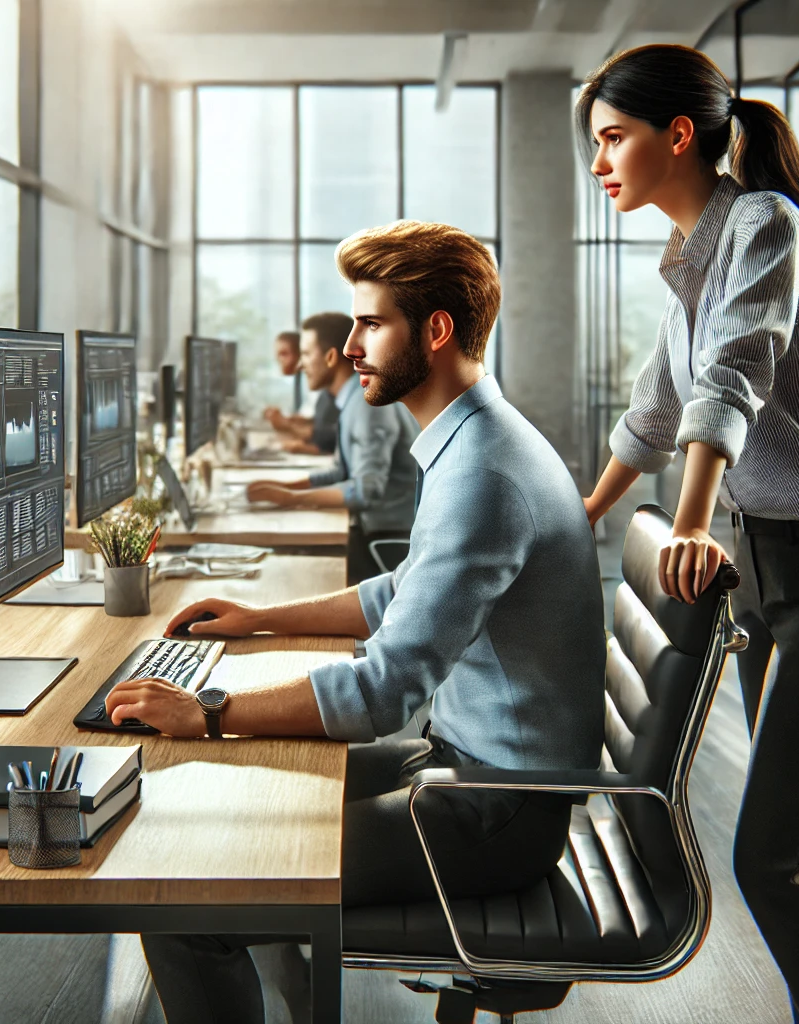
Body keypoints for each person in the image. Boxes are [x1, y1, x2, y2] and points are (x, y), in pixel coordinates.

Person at [105, 220, 606, 1024]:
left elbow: (381, 692)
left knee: (187, 900)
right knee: (245, 806)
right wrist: (259, 619)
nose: (350, 347)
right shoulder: (476, 438)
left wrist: (208, 711)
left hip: (500, 807)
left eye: (372, 324)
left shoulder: (484, 473)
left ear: (436, 332)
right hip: (468, 765)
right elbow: (399, 592)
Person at [575, 44, 799, 1024]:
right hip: (767, 566)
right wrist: (580, 515)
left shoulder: (763, 224)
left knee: (767, 855)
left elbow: (733, 375)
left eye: (612, 138)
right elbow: (656, 404)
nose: (598, 162)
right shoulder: (686, 255)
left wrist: (685, 523)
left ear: (677, 134)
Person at [248, 311, 420, 585]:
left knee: (293, 579)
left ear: (329, 358)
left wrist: (293, 500)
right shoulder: (351, 400)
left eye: (305, 354)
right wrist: (290, 487)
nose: (301, 365)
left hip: (387, 541)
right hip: (371, 531)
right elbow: (342, 471)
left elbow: (366, 489)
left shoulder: (367, 405)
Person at [263, 328, 338, 454]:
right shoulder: (310, 386)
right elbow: (320, 423)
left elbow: (329, 436)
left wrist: (287, 425)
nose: (279, 360)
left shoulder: (329, 388)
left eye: (284, 354)